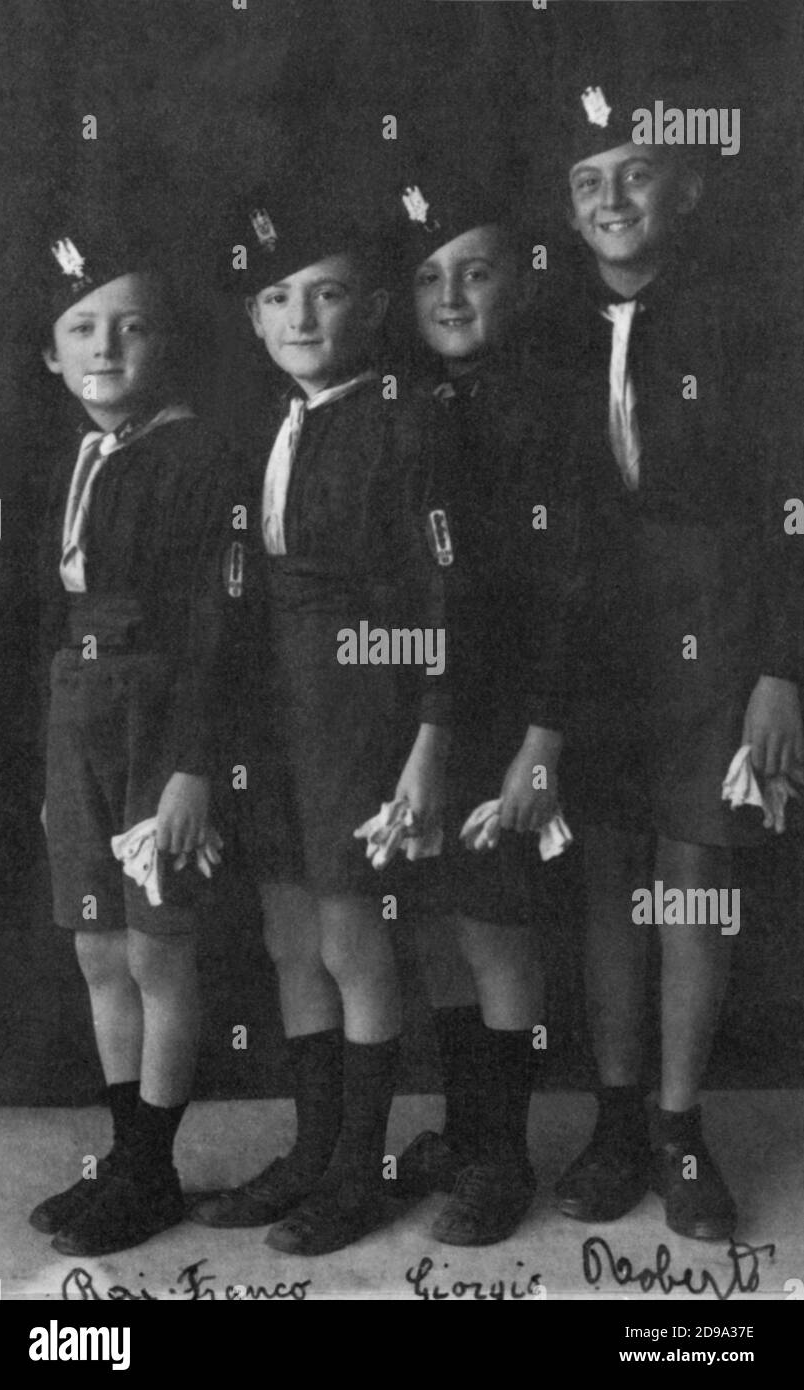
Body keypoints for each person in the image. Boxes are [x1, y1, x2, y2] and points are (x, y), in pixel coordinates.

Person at [545, 81, 803, 1240]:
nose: (612, 198)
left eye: (635, 172)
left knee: (691, 879)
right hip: (596, 624)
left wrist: (782, 666)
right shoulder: (551, 325)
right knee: (607, 880)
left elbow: (795, 501)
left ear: (685, 185)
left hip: (720, 618)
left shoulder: (751, 318)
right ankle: (613, 1119)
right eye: (588, 182)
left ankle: (681, 1125)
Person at [191, 190, 449, 1255]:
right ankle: (310, 1147)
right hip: (268, 709)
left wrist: (431, 735)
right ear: (254, 321)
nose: (302, 318)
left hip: (359, 703)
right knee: (288, 928)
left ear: (375, 308)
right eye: (278, 298)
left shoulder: (403, 419)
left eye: (328, 294)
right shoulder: (257, 426)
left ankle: (361, 1168)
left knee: (352, 933)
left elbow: (443, 591)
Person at [29, 217, 235, 1256]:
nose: (106, 348)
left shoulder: (191, 454)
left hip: (160, 710)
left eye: (131, 327)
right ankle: (124, 1154)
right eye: (83, 328)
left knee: (158, 947)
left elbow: (210, 622)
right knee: (97, 942)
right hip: (81, 705)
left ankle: (152, 1168)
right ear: (54, 351)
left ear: (166, 344)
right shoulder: (77, 453)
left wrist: (193, 761)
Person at [393, 169, 573, 1245]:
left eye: (477, 272)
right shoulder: (408, 403)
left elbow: (572, 590)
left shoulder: (544, 407)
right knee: (436, 929)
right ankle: (466, 1130)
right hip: (422, 705)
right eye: (428, 277)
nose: (452, 297)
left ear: (520, 281)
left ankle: (504, 1155)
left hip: (507, 708)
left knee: (498, 930)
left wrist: (542, 740)